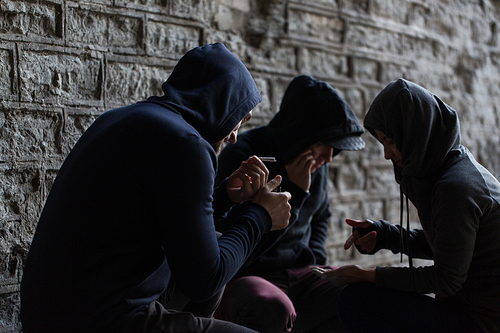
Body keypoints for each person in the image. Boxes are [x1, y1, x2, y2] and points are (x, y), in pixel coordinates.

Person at [20, 42, 292, 333]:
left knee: (212, 243)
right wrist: (261, 216)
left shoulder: (126, 118)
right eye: (239, 118)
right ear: (220, 100)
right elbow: (204, 279)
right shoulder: (185, 144)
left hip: (49, 314)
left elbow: (171, 229)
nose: (235, 136)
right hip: (101, 320)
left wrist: (224, 197)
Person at [312, 78, 500, 332]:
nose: (387, 154)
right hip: (464, 310)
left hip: (481, 323)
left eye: (391, 141)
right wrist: (385, 235)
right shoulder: (450, 166)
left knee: (357, 300)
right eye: (383, 143)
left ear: (415, 132)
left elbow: (447, 280)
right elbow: (449, 246)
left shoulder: (456, 187)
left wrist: (365, 274)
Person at [213, 75, 365, 333]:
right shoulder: (246, 157)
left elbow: (321, 216)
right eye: (323, 144)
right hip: (250, 274)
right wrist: (295, 191)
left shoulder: (315, 164)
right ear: (301, 132)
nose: (329, 157)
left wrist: (316, 261)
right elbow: (228, 237)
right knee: (274, 307)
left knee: (359, 294)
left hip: (302, 271)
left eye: (335, 149)